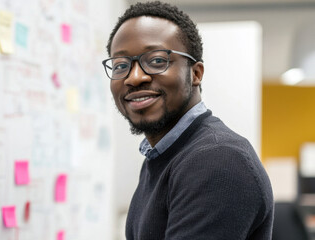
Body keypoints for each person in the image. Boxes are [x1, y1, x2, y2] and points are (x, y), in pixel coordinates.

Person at [102, 1, 274, 239]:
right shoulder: (161, 157)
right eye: (121, 65)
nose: (135, 77)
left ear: (195, 73)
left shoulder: (218, 159)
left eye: (156, 61)